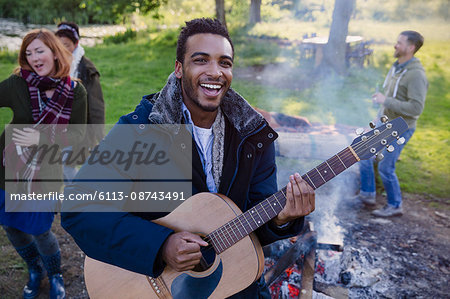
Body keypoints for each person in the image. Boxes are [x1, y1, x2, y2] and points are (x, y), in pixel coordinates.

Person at [61, 18, 315, 298]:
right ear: (179, 69)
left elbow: (253, 226)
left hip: (232, 283)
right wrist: (161, 246)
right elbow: (79, 208)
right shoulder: (142, 130)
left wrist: (281, 219)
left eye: (225, 63)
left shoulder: (252, 136)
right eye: (201, 60)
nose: (215, 72)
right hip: (154, 282)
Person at [0, 28, 87, 298]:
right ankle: (35, 270)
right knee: (11, 224)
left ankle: (55, 274)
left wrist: (40, 136)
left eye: (39, 50)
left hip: (45, 172)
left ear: (53, 51)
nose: (34, 57)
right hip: (6, 168)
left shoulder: (75, 91)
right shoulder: (18, 84)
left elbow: (79, 136)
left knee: (40, 230)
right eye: (28, 53)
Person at [355, 30, 428, 217]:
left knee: (386, 167)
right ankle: (367, 195)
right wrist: (376, 118)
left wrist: (385, 100)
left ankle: (395, 205)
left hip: (402, 127)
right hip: (385, 123)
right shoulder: (397, 67)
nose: (395, 45)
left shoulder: (416, 75)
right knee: (363, 153)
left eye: (400, 43)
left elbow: (416, 108)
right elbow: (387, 98)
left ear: (411, 48)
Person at [55, 22, 105, 182]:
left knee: (67, 168)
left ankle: (79, 199)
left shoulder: (86, 69)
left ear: (76, 44)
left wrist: (99, 136)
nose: (62, 49)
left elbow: (96, 105)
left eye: (66, 45)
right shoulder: (53, 64)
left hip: (76, 128)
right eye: (58, 45)